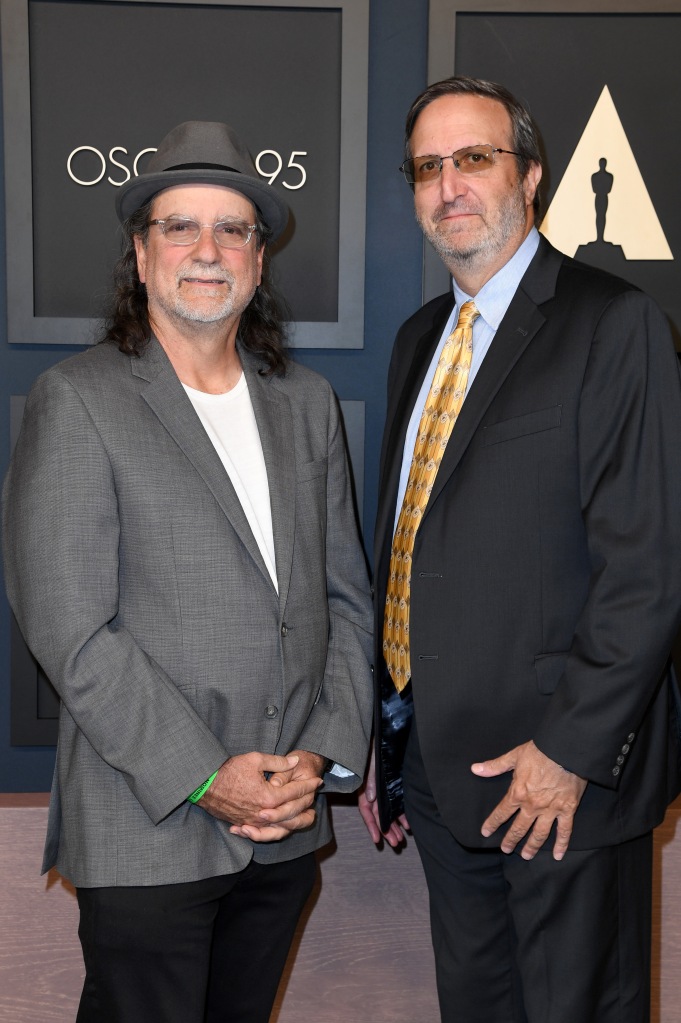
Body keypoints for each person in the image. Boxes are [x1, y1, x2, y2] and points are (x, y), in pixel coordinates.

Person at [3, 120, 373, 1023]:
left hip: (283, 830)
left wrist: (318, 757)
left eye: (232, 230)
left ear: (257, 260)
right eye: (180, 227)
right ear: (140, 254)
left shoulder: (307, 405)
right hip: (149, 826)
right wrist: (209, 776)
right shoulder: (78, 399)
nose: (207, 251)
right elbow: (68, 626)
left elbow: (346, 604)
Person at [359, 76, 681, 1022]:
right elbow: (413, 548)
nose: (448, 185)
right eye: (428, 167)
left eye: (474, 159)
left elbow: (648, 568)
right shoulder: (420, 338)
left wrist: (567, 752)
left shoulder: (611, 324)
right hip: (444, 774)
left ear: (529, 174)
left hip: (558, 783)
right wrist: (394, 742)